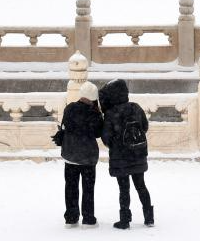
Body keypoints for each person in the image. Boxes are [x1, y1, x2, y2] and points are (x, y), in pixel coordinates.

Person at [100, 79, 154, 229]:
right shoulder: (135, 107)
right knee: (141, 186)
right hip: (138, 154)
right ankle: (149, 217)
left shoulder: (111, 113)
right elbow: (144, 126)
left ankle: (124, 220)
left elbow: (106, 138)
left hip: (120, 157)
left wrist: (117, 144)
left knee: (124, 189)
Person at [58, 81, 103, 228]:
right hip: (88, 157)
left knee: (70, 187)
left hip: (70, 155)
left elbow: (65, 126)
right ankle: (88, 218)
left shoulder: (69, 108)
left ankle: (71, 218)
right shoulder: (94, 113)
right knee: (88, 188)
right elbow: (98, 133)